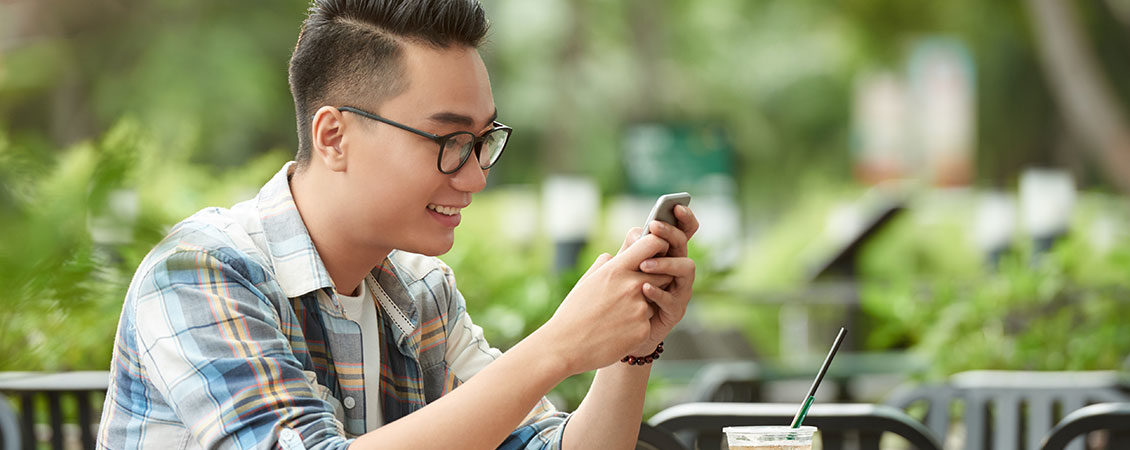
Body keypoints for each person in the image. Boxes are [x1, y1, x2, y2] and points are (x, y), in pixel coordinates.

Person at [96, 0, 698, 448]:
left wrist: (633, 348)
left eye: (483, 140)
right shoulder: (200, 273)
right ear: (334, 136)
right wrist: (558, 347)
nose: (474, 176)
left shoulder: (421, 292)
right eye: (448, 140)